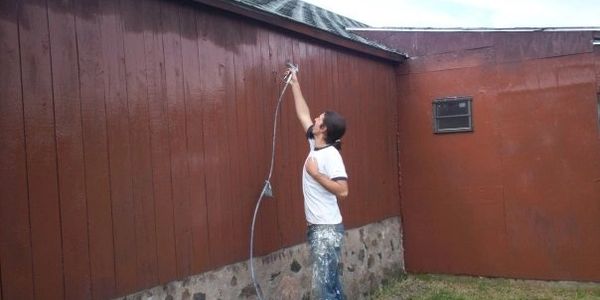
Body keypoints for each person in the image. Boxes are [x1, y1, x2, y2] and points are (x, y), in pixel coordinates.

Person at [288, 69, 348, 300]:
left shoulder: (331, 155)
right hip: (321, 227)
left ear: (324, 129)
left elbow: (343, 190)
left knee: (325, 289)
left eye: (319, 119)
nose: (315, 119)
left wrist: (316, 176)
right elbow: (303, 114)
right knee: (332, 285)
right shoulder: (317, 145)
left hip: (326, 230)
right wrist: (295, 83)